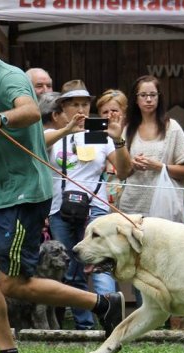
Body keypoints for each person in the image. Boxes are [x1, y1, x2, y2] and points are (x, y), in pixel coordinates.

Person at [0, 20, 124, 353]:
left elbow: (29, 111)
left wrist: (4, 116)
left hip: (23, 195)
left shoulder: (10, 77)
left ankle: (102, 303)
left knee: (14, 283)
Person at [44, 81, 131, 331]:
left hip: (95, 209)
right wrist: (67, 130)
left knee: (101, 264)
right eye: (74, 104)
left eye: (84, 104)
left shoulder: (98, 136)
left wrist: (119, 140)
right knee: (70, 268)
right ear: (62, 108)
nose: (80, 109)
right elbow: (36, 149)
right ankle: (84, 326)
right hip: (59, 209)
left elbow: (124, 171)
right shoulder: (51, 135)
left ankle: (111, 325)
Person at [115, 78, 184, 310]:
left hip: (164, 207)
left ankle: (175, 316)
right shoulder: (128, 129)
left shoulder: (172, 127)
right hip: (133, 205)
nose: (148, 100)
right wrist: (131, 160)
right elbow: (122, 172)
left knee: (168, 263)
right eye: (143, 95)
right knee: (138, 265)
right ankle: (145, 313)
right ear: (135, 99)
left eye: (153, 95)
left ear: (160, 98)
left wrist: (158, 166)